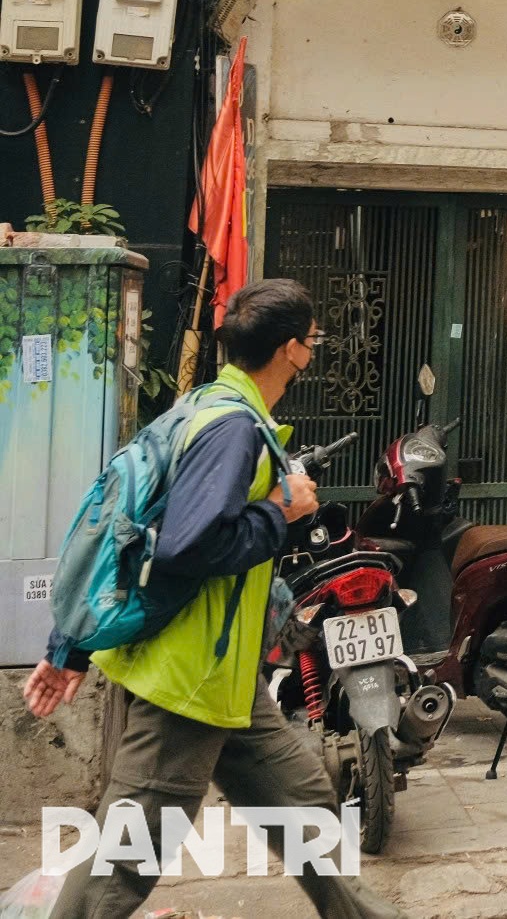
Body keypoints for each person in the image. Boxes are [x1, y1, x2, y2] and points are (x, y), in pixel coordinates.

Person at [19, 279, 406, 919]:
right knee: (123, 861)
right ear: (291, 350)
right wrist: (281, 512)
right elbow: (186, 546)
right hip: (190, 682)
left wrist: (71, 649)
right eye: (312, 339)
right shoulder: (232, 429)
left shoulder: (206, 405)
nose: (312, 350)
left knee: (304, 805)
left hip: (226, 676)